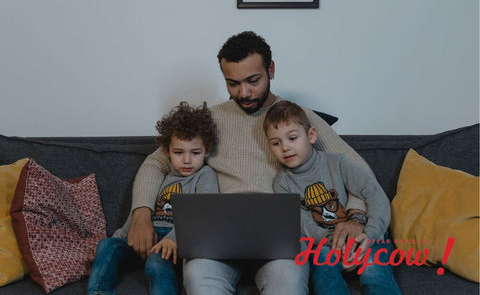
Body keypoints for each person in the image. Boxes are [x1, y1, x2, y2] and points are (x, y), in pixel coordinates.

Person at [125, 31, 374, 294]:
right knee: (197, 276)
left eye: (253, 80)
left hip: (282, 240)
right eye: (232, 83)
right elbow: (156, 164)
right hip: (216, 238)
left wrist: (356, 217)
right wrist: (140, 214)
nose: (243, 92)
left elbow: (359, 170)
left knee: (287, 282)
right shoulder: (209, 119)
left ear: (271, 69)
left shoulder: (298, 118)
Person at [264, 100, 402, 295]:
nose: (285, 147)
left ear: (311, 135)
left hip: (364, 234)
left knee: (374, 272)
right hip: (325, 242)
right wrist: (330, 241)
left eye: (292, 138)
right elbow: (300, 221)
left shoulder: (337, 163)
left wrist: (369, 235)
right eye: (276, 143)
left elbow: (375, 193)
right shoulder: (282, 182)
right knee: (324, 277)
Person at [87, 101, 219, 295]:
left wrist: (174, 239)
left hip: (177, 241)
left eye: (196, 153)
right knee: (106, 246)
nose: (187, 160)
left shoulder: (205, 175)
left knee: (156, 262)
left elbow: (204, 211)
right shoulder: (163, 174)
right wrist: (119, 238)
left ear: (206, 150)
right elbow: (139, 215)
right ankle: (98, 292)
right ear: (166, 152)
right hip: (149, 237)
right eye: (178, 152)